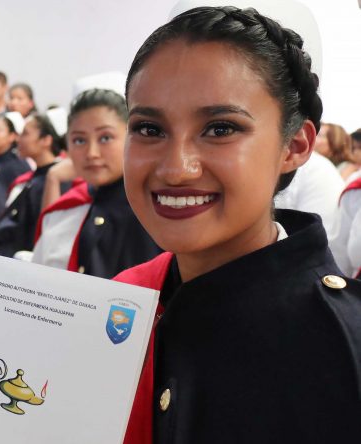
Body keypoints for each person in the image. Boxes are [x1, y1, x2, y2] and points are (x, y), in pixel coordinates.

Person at [113, 7, 361, 443]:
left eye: (220, 128)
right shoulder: (119, 305)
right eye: (150, 129)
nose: (176, 169)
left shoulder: (345, 343)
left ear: (294, 146)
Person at [31, 89, 161, 276]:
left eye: (105, 138)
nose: (92, 153)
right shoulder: (64, 211)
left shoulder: (157, 213)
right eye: (79, 140)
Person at [0, 114, 63, 257]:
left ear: (46, 140)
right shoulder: (35, 178)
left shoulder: (55, 181)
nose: (18, 139)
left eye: (25, 134)